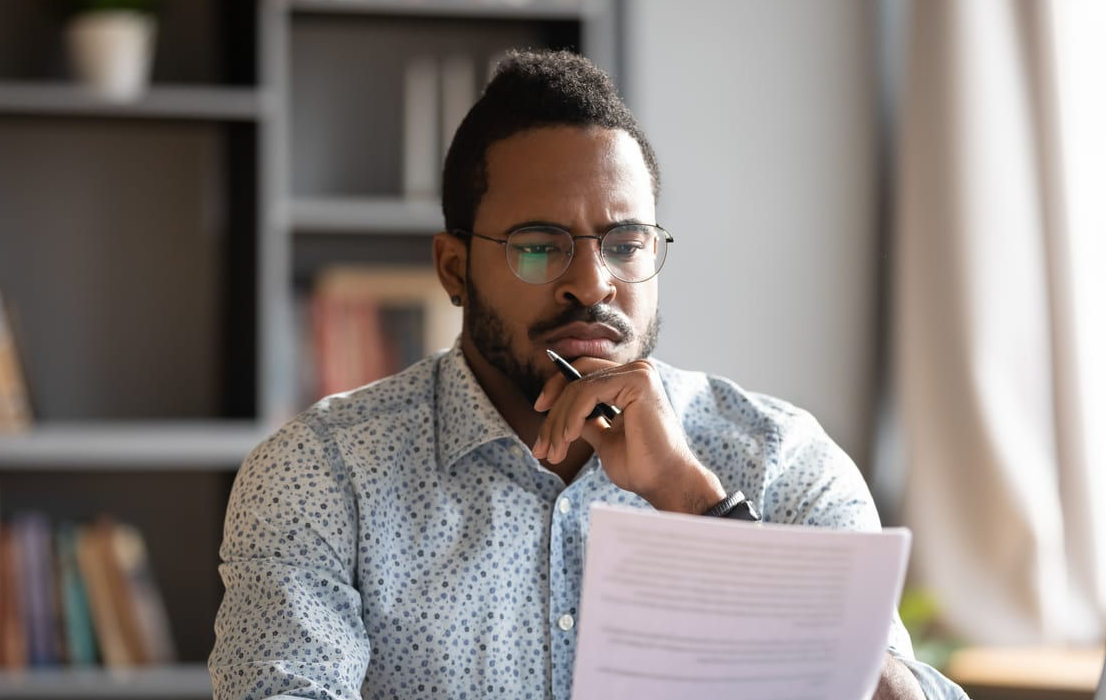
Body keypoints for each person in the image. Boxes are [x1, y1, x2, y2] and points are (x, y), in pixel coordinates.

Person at [208, 50, 967, 700]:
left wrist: (694, 502)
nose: (593, 282)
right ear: (454, 269)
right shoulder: (322, 474)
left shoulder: (779, 460)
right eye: (539, 246)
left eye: (625, 243)